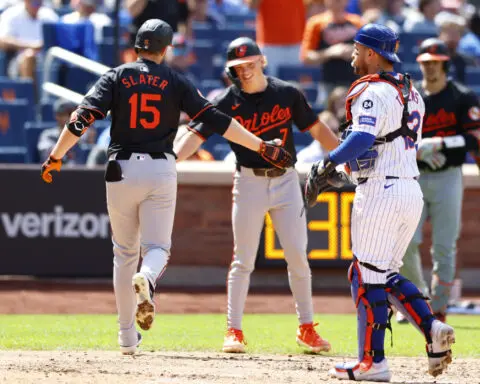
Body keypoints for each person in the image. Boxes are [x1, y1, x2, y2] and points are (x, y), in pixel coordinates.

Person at [40, 19, 292, 355]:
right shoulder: (175, 80)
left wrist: (56, 156)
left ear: (136, 45)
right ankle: (148, 276)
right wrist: (260, 144)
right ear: (166, 47)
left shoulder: (117, 75)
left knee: (122, 253)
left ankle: (127, 337)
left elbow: (80, 118)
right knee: (157, 248)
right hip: (160, 167)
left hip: (121, 168)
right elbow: (218, 120)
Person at [305, 24, 456, 381]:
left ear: (373, 52)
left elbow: (363, 136)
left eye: (357, 49)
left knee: (364, 275)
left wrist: (327, 163)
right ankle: (431, 329)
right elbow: (379, 147)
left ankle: (373, 361)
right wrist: (342, 170)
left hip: (382, 193)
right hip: (407, 190)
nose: (353, 55)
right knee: (384, 275)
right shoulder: (411, 93)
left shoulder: (372, 90)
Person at [174, 37, 339, 354]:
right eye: (238, 67)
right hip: (249, 181)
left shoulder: (286, 93)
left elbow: (317, 129)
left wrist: (346, 155)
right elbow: (195, 136)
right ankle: (233, 330)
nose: (245, 71)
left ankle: (307, 328)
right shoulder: (226, 101)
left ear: (262, 61)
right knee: (243, 260)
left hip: (286, 180)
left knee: (297, 258)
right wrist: (171, 159)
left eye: (249, 64)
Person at [398, 38, 480, 324]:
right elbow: (397, 135)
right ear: (420, 64)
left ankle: (440, 308)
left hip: (448, 175)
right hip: (414, 175)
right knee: (406, 240)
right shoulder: (410, 97)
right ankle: (417, 301)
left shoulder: (461, 96)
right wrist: (420, 147)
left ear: (445, 64)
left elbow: (475, 136)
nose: (431, 67)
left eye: (435, 62)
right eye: (426, 63)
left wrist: (441, 145)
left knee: (445, 246)